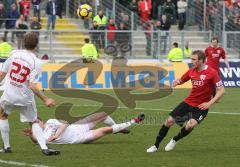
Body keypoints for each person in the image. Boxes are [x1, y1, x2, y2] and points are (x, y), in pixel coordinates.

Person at [147, 50, 225, 153]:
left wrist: (209, 103)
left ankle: (175, 139)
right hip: (188, 102)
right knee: (169, 121)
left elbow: (221, 90)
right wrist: (177, 82)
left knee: (190, 125)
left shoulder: (211, 72)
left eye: (194, 59)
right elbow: (182, 80)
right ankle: (155, 145)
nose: (191, 61)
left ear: (201, 61)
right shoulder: (191, 71)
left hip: (201, 106)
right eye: (191, 59)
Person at [0, 32, 59, 156]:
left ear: (23, 42)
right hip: (25, 98)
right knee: (34, 121)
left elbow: (2, 74)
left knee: (3, 116)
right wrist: (45, 99)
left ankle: (7, 147)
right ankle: (44, 148)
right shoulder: (36, 62)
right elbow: (32, 85)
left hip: (9, 94)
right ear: (36, 45)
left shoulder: (14, 54)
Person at [23, 113, 145, 145]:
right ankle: (135, 121)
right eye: (34, 124)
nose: (37, 124)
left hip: (78, 127)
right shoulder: (42, 136)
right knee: (104, 130)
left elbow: (65, 124)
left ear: (41, 121)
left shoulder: (50, 121)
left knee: (102, 114)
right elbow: (37, 141)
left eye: (37, 122)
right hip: (77, 138)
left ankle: (119, 128)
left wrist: (56, 134)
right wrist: (32, 135)